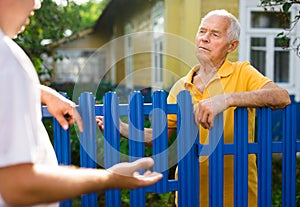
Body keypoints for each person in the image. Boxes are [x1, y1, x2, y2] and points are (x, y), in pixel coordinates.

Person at [96, 9, 291, 206]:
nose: (205, 38)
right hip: (191, 193)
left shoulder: (243, 72)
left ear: (232, 46)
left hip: (237, 194)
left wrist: (226, 99)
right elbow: (158, 137)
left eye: (215, 34)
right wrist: (121, 128)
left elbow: (281, 97)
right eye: (202, 31)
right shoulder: (181, 86)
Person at [0, 1, 162, 207]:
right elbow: (19, 186)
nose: (37, 4)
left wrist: (40, 92)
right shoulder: (6, 57)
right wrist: (111, 178)